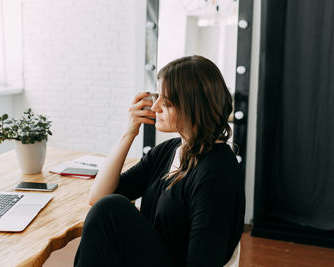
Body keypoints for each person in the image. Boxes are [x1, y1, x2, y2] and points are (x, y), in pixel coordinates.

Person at [74, 55, 245, 267]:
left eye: (167, 102)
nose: (154, 107)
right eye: (157, 97)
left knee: (111, 208)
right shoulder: (168, 151)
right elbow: (98, 197)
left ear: (193, 107)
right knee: (108, 206)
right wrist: (128, 133)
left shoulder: (216, 172)